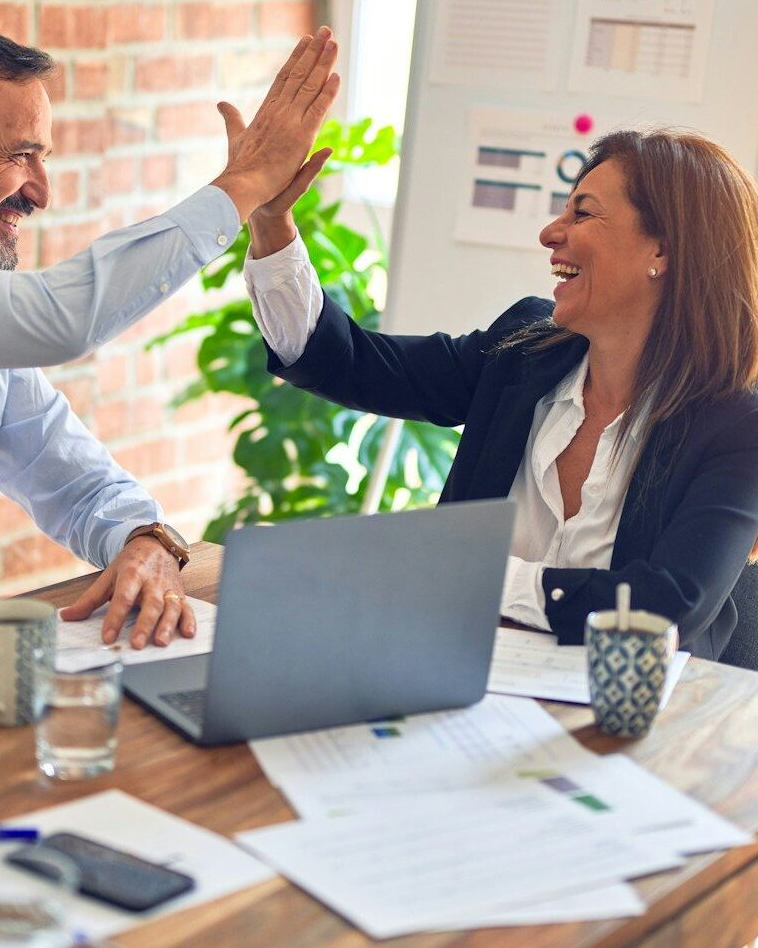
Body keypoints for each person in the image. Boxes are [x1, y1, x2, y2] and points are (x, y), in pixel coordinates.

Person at [0, 21, 339, 663]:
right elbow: (53, 319)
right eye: (20, 155)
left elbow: (74, 478)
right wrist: (241, 188)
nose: (43, 191)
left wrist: (145, 540)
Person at [242, 129, 758, 660]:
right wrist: (269, 221)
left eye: (582, 214)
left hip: (637, 721)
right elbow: (352, 363)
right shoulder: (523, 352)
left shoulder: (738, 426)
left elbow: (666, 607)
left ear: (663, 250)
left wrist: (477, 577)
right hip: (464, 683)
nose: (550, 233)